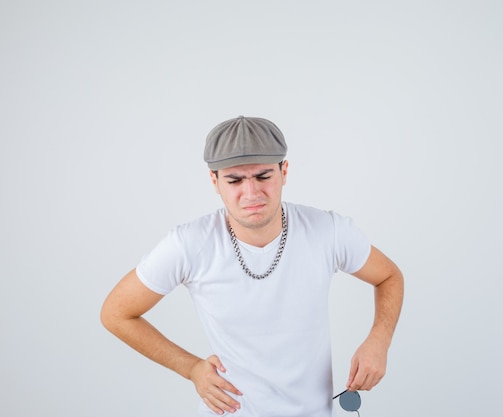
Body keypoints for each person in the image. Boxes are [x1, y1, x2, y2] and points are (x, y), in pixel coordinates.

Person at [100, 116, 404, 417]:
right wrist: (190, 367)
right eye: (234, 180)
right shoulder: (189, 244)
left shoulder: (328, 231)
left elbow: (389, 275)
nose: (251, 193)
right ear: (214, 181)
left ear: (284, 171)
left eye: (263, 176)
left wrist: (379, 340)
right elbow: (116, 313)